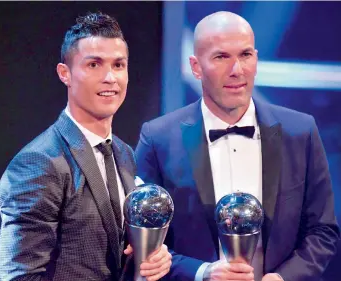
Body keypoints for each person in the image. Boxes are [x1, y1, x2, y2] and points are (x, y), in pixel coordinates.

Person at [135, 11, 340, 281]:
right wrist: (202, 272)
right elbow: (142, 241)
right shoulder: (158, 138)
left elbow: (323, 231)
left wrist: (283, 278)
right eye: (221, 57)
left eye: (245, 55)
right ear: (196, 67)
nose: (237, 70)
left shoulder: (301, 131)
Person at [0, 12, 171, 281]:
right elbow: (20, 276)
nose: (110, 78)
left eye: (118, 65)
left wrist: (151, 256)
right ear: (64, 73)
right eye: (94, 65)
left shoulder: (124, 153)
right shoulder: (38, 162)